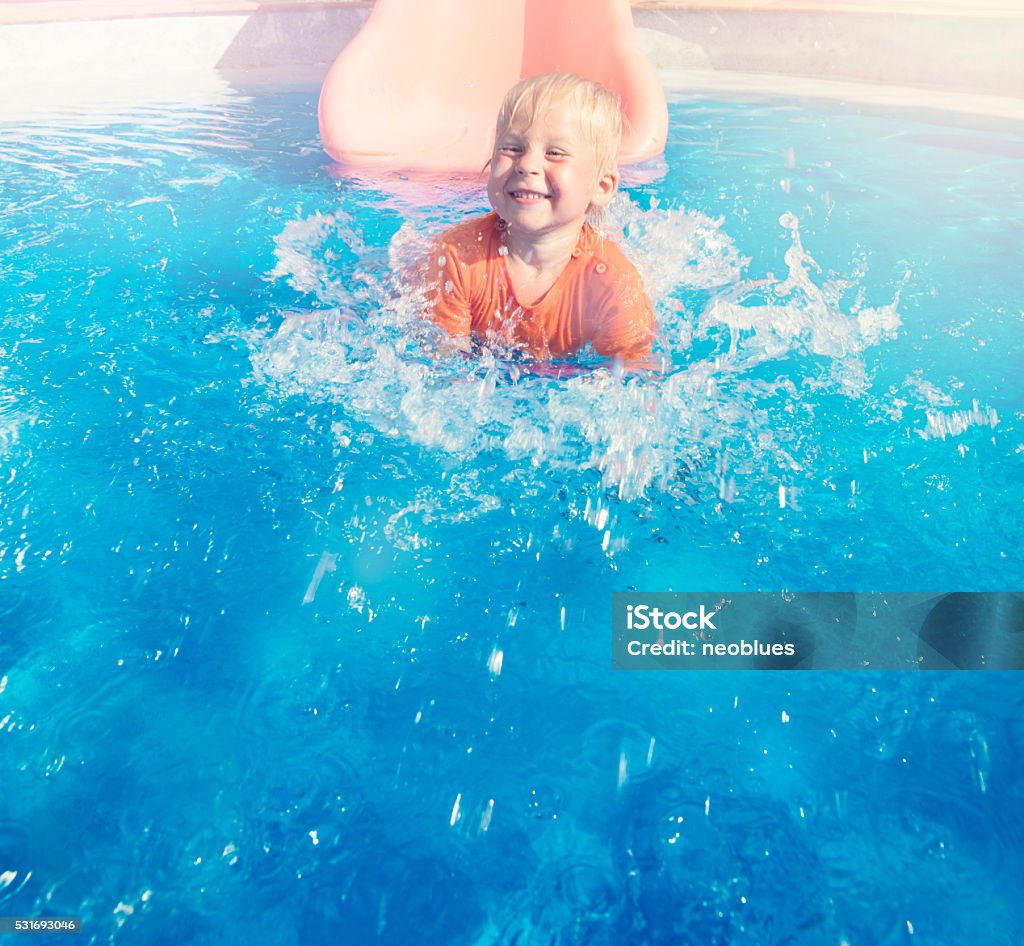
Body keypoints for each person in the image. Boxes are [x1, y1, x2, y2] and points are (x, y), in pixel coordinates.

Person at [425, 71, 656, 363]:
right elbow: (441, 367)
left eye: (555, 153)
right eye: (511, 148)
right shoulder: (457, 257)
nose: (527, 164)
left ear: (601, 187)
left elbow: (636, 375)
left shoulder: (611, 282)